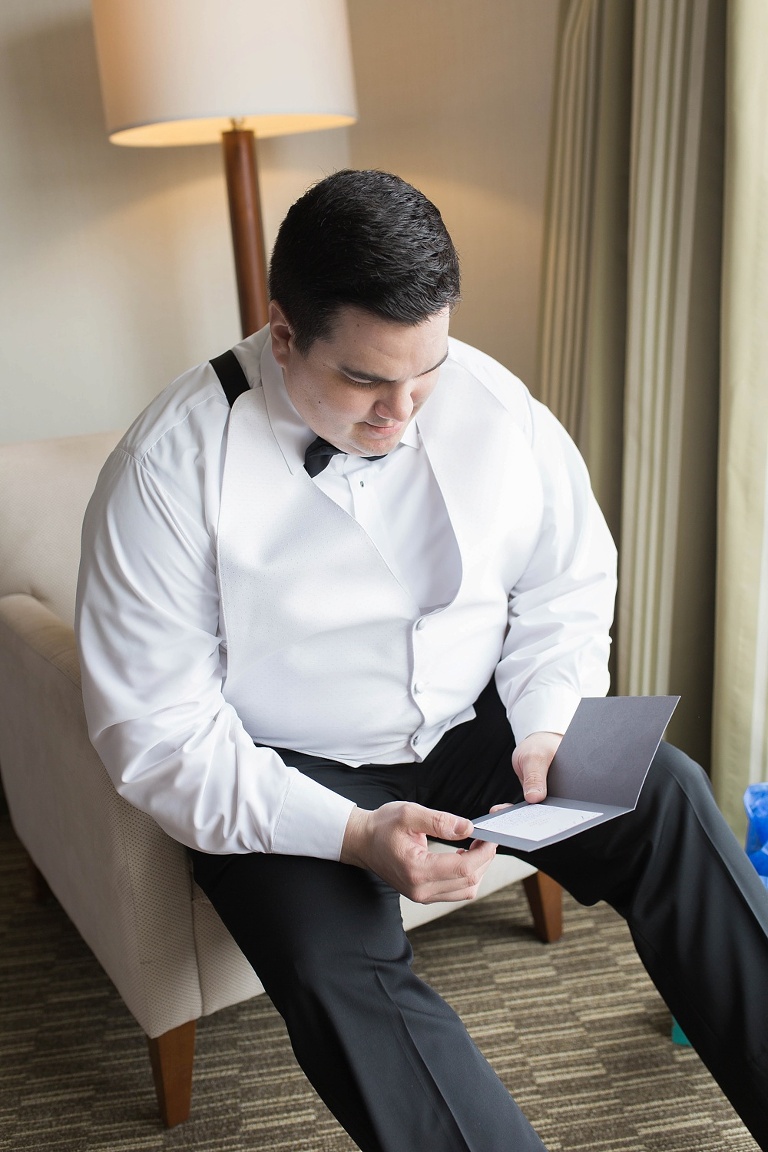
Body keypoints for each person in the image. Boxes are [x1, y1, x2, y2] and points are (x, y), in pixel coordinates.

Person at [75, 169, 768, 1152]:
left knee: (672, 796)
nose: (405, 412)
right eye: (365, 380)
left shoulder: (492, 402)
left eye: (426, 370)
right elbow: (158, 737)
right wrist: (353, 836)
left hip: (476, 723)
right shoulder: (164, 471)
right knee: (343, 978)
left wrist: (547, 721)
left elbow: (566, 586)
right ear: (284, 336)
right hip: (282, 774)